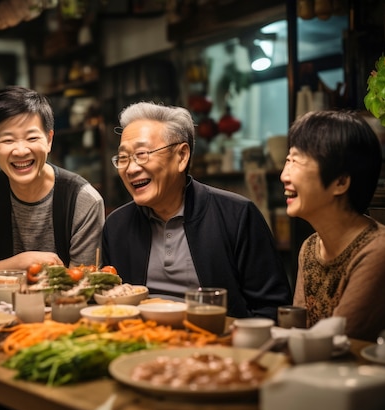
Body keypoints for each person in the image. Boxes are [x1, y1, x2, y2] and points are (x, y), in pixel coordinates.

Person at [102, 101, 292, 320]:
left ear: (182, 156)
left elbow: (273, 310)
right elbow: (111, 303)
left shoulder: (237, 216)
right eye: (123, 158)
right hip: (140, 340)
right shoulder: (117, 226)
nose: (131, 168)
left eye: (142, 154)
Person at [281, 110, 385, 342]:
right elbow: (302, 335)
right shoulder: (310, 248)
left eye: (297, 160)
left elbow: (339, 342)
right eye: (287, 160)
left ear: (340, 182)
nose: (284, 175)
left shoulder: (382, 250)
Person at [0, 86, 105, 275]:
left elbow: (82, 285)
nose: (21, 151)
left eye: (31, 138)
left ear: (49, 140)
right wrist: (21, 262)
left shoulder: (83, 200)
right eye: (8, 140)